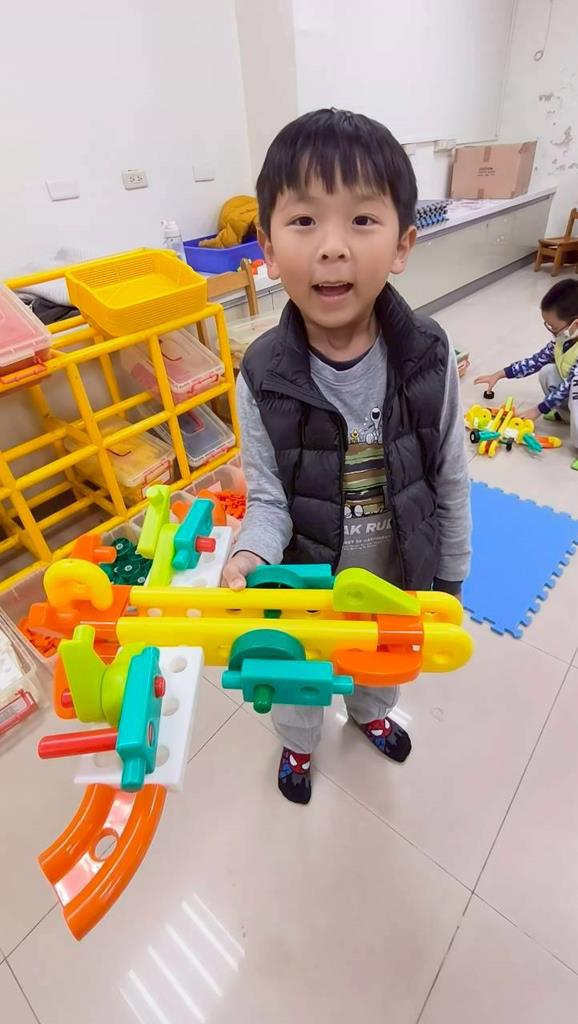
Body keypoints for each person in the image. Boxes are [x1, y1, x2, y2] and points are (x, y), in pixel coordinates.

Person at [222, 108, 472, 804]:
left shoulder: (429, 356)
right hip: (304, 587)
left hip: (393, 576)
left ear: (402, 244)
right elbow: (267, 498)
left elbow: (451, 477)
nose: (332, 248)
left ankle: (370, 715)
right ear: (268, 249)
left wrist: (450, 578)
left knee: (379, 666)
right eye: (304, 220)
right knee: (297, 686)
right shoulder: (260, 373)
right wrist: (250, 554)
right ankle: (299, 746)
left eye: (362, 220)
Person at [475, 279, 578, 469]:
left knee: (575, 392)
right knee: (547, 371)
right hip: (572, 388)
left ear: (575, 324)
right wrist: (500, 374)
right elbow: (536, 361)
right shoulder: (562, 339)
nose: (552, 332)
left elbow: (568, 386)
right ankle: (564, 415)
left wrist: (538, 409)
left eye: (554, 328)